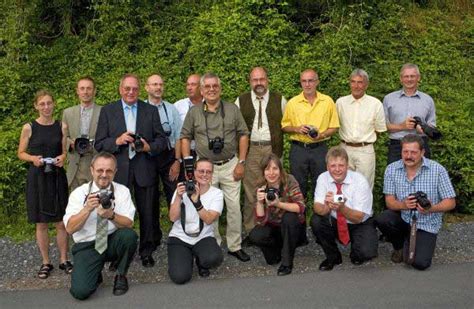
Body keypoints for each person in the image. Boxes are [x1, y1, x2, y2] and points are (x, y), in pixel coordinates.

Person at [94, 73, 167, 268]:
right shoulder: (108, 111)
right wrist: (116, 141)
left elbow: (162, 141)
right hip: (117, 171)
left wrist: (147, 146)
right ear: (120, 89)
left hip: (144, 167)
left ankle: (146, 250)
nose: (131, 92)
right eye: (127, 88)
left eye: (134, 88)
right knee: (115, 210)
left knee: (148, 212)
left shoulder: (150, 111)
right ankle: (116, 252)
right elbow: (99, 143)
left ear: (139, 90)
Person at [180, 72, 251, 262]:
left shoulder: (232, 109)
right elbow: (185, 137)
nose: (211, 89)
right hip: (205, 169)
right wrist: (188, 164)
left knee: (234, 207)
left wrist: (241, 162)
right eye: (207, 87)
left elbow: (243, 134)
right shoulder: (194, 111)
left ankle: (235, 245)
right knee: (210, 206)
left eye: (215, 86)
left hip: (230, 166)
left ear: (220, 88)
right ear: (201, 90)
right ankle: (213, 242)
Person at [375, 134, 455, 270]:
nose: (408, 156)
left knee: (420, 263)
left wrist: (431, 208)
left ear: (422, 152)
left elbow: (451, 202)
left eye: (413, 152)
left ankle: (413, 242)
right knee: (383, 219)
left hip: (427, 223)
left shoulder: (437, 170)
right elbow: (389, 202)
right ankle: (399, 246)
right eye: (405, 151)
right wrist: (403, 205)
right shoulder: (392, 169)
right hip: (404, 219)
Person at [64, 152, 138, 299]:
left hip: (111, 240)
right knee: (80, 292)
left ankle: (121, 275)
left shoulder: (122, 191)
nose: (104, 175)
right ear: (91, 170)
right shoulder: (79, 194)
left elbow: (129, 223)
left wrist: (111, 215)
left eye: (109, 171)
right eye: (100, 170)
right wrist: (87, 209)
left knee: (129, 236)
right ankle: (95, 273)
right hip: (87, 245)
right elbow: (70, 228)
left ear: (115, 172)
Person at [17, 89, 72, 279]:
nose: (46, 107)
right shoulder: (29, 127)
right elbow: (20, 152)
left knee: (60, 222)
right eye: (42, 104)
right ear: (36, 106)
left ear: (54, 104)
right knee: (40, 223)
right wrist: (33, 158)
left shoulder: (62, 126)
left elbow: (64, 151)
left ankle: (64, 259)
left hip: (56, 176)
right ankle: (46, 262)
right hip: (37, 177)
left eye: (49, 103)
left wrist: (62, 157)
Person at [235, 66, 287, 238]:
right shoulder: (240, 101)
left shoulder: (280, 100)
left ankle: (274, 226)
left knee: (275, 188)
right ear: (250, 82)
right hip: (251, 150)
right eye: (255, 80)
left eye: (262, 79)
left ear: (267, 80)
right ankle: (251, 231)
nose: (259, 83)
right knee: (251, 191)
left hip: (272, 148)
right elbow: (235, 129)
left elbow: (287, 126)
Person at [311, 146, 378, 271]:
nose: (337, 170)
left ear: (347, 166)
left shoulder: (360, 181)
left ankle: (356, 250)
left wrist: (341, 208)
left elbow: (358, 217)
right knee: (316, 221)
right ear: (327, 167)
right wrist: (327, 206)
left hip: (359, 222)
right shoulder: (322, 178)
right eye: (333, 166)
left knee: (365, 253)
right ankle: (333, 257)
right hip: (336, 220)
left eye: (341, 165)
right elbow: (317, 207)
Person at [281, 68, 339, 199]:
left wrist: (322, 135)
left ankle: (320, 216)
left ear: (317, 82)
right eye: (304, 81)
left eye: (310, 81)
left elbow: (334, 126)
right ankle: (299, 215)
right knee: (297, 184)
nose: (307, 84)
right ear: (301, 83)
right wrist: (297, 128)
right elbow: (284, 126)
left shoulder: (327, 101)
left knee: (321, 183)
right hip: (298, 149)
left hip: (320, 148)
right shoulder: (292, 103)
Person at [167, 158, 224, 284]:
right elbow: (172, 217)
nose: (204, 174)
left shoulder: (217, 193)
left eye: (208, 172)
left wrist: (196, 202)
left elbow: (209, 219)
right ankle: (185, 258)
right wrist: (178, 197)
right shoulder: (181, 189)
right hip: (180, 237)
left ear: (212, 174)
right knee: (180, 277)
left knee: (214, 258)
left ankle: (200, 261)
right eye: (201, 171)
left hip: (203, 237)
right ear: (193, 172)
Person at [249, 153, 306, 276]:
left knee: (289, 218)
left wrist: (278, 203)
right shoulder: (260, 186)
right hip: (274, 227)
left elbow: (300, 207)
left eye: (275, 168)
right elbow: (260, 221)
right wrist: (259, 202)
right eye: (267, 169)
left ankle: (287, 263)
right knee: (255, 235)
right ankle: (279, 251)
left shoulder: (289, 180)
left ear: (280, 170)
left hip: (292, 226)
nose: (271, 173)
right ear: (263, 172)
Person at [336, 69, 386, 188]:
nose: (356, 86)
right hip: (344, 148)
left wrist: (364, 140)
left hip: (365, 151)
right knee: (343, 185)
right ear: (349, 83)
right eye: (353, 82)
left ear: (366, 84)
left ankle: (365, 207)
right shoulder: (340, 102)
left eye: (360, 82)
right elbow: (334, 124)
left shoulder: (375, 104)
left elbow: (379, 130)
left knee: (365, 186)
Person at [383, 63, 437, 164]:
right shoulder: (389, 99)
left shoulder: (428, 100)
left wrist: (423, 129)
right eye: (406, 76)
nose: (409, 79)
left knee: (423, 177)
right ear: (401, 78)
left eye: (412, 76)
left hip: (420, 145)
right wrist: (402, 126)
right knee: (395, 177)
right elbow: (382, 126)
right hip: (397, 146)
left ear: (418, 78)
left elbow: (433, 131)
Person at [145, 74, 183, 206]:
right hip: (148, 158)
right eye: (155, 84)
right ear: (147, 88)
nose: (158, 87)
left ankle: (177, 225)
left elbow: (179, 136)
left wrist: (177, 161)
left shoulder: (171, 109)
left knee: (174, 194)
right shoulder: (141, 109)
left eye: (161, 84)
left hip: (169, 158)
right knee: (150, 196)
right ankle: (152, 227)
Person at [62, 76, 102, 190]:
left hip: (95, 165)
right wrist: (70, 143)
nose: (85, 92)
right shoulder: (68, 113)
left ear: (94, 91)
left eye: (89, 88)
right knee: (76, 206)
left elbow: (107, 138)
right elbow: (64, 137)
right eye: (82, 88)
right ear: (77, 91)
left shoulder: (104, 112)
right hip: (74, 168)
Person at [174, 73, 203, 160]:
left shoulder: (209, 105)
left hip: (204, 154)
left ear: (201, 87)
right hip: (183, 154)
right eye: (188, 84)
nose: (189, 88)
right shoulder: (178, 106)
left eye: (193, 84)